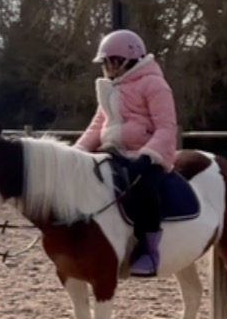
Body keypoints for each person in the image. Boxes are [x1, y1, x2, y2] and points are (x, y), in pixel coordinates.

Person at [75, 29, 179, 275]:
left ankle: (149, 251)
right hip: (113, 151)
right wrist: (77, 151)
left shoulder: (154, 84)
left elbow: (166, 127)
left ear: (123, 60)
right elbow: (98, 125)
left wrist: (147, 155)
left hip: (146, 155)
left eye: (108, 62)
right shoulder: (110, 87)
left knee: (145, 188)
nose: (105, 68)